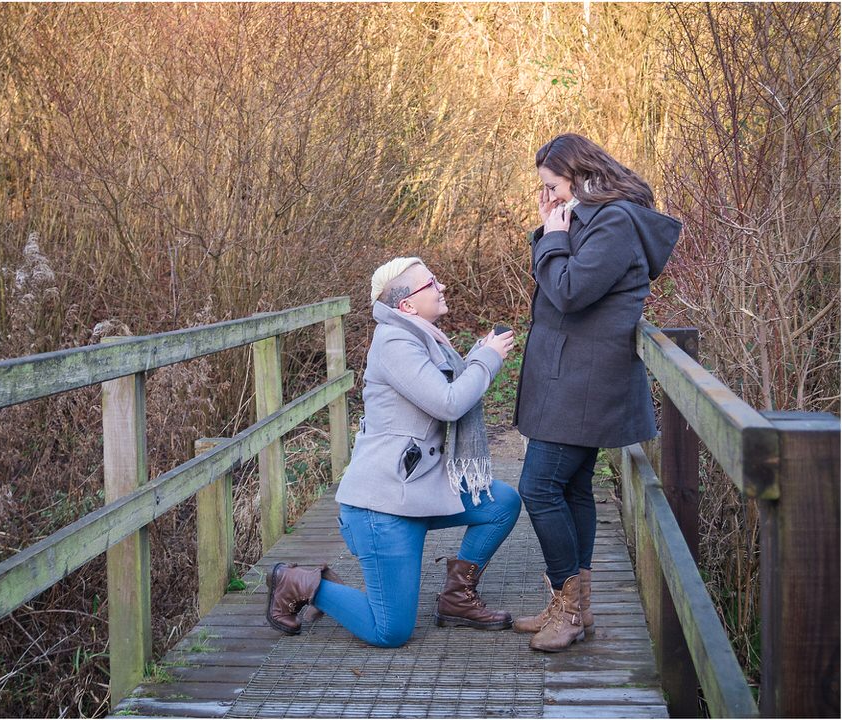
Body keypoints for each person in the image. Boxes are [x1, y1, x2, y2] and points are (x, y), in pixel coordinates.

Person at [265, 257, 521, 648]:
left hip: (417, 491)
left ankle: (455, 600)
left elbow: (448, 389)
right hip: (382, 506)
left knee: (501, 501)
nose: (441, 287)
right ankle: (298, 582)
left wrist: (476, 356)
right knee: (391, 631)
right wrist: (487, 360)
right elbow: (449, 403)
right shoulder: (394, 342)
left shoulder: (425, 337)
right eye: (430, 283)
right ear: (406, 306)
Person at [513, 133, 682, 652]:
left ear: (581, 176)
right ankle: (575, 608)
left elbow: (567, 291)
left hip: (585, 379)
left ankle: (567, 610)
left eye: (552, 187)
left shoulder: (614, 223)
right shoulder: (593, 218)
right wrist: (552, 229)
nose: (549, 198)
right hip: (571, 374)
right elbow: (562, 280)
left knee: (538, 487)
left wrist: (554, 233)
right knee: (571, 488)